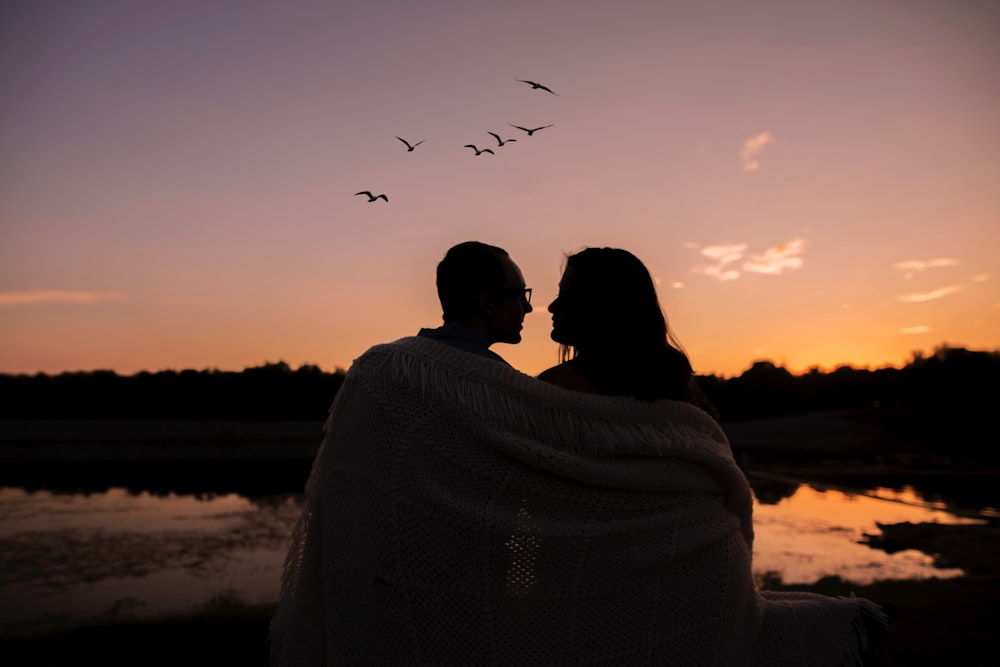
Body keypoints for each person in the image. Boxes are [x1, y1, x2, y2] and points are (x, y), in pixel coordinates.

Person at [268, 242, 888, 666]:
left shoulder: (554, 395)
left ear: (599, 307)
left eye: (562, 294)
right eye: (534, 293)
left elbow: (521, 501)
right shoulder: (679, 383)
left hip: (670, 586)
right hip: (709, 584)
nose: (550, 307)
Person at [538, 246, 720, 418]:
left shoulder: (553, 388)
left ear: (603, 309)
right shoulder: (680, 386)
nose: (552, 307)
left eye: (567, 298)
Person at [416, 240, 533, 365]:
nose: (528, 307)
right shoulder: (502, 381)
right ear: (487, 303)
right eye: (520, 295)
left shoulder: (398, 359)